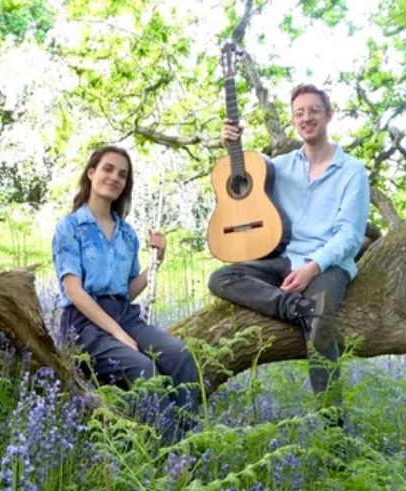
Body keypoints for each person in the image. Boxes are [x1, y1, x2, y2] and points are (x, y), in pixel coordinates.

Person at [208, 84, 370, 401]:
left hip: (328, 264)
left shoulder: (352, 171)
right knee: (222, 277)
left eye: (313, 110)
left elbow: (350, 235)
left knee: (320, 327)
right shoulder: (281, 166)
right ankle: (296, 308)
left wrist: (312, 268)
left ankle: (332, 428)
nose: (306, 117)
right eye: (299, 113)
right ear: (294, 119)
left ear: (328, 115)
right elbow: (242, 177)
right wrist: (230, 145)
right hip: (286, 259)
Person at [52, 145, 199, 443]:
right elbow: (74, 291)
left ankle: (183, 443)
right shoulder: (70, 227)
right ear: (91, 173)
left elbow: (127, 290)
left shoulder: (127, 234)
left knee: (181, 357)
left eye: (122, 174)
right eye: (108, 169)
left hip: (124, 315)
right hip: (84, 324)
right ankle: (169, 460)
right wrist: (117, 333)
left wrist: (156, 262)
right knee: (145, 369)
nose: (114, 178)